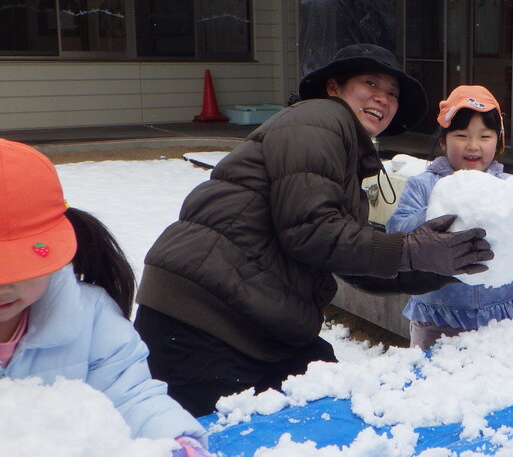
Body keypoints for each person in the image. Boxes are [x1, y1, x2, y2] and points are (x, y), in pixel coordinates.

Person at [135, 43, 493, 417]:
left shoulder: (342, 151)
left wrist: (446, 266)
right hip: (202, 320)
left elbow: (349, 259)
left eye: (392, 93)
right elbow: (311, 231)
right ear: (334, 87)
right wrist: (411, 248)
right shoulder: (319, 119)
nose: (382, 98)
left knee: (328, 405)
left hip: (255, 324)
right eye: (370, 83)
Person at [0, 139, 209, 454]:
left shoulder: (89, 316)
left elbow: (129, 396)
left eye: (20, 266)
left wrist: (176, 441)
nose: (3, 286)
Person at [386, 85, 513, 350]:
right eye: (462, 135)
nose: (473, 146)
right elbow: (395, 229)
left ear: (499, 141)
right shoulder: (424, 185)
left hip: (498, 315)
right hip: (437, 316)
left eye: (485, 136)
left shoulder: (508, 186)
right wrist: (438, 211)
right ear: (443, 141)